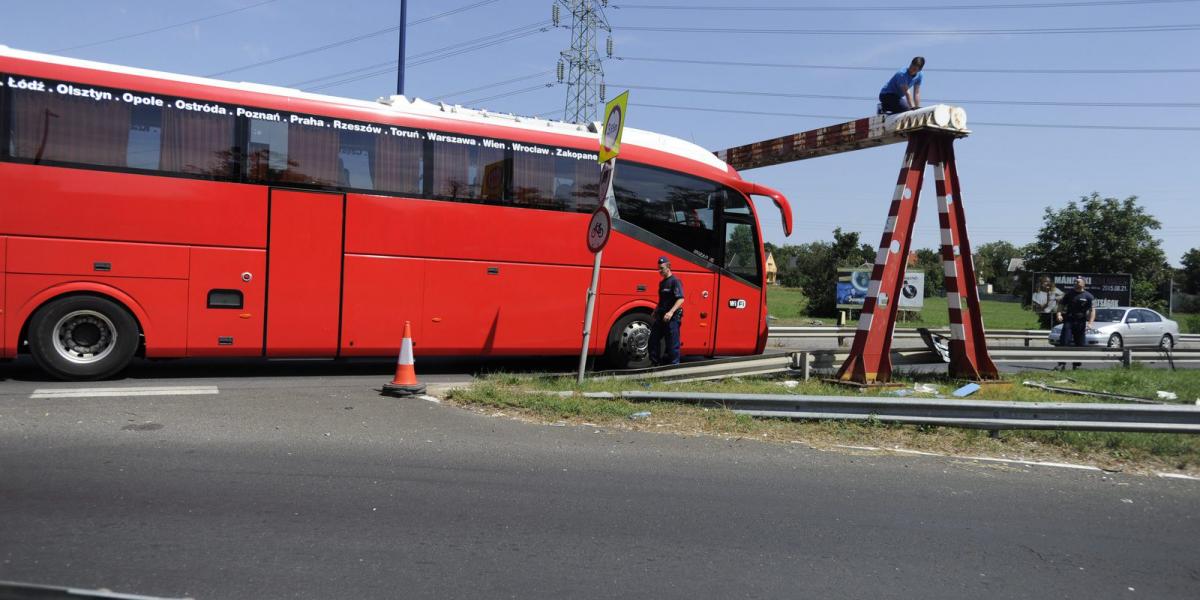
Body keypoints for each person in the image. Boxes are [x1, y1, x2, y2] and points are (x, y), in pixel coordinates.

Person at [649, 256, 685, 366]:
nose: (659, 271)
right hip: (661, 316)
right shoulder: (662, 283)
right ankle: (655, 364)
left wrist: (671, 312)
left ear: (668, 267)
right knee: (653, 340)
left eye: (662, 268)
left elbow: (681, 299)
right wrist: (655, 310)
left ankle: (674, 366)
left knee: (672, 344)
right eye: (659, 268)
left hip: (672, 318)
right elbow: (661, 300)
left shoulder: (675, 281)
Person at [1056, 277, 1096, 369]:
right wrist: (1058, 314)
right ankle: (1062, 364)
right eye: (1075, 282)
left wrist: (1090, 323)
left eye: (1078, 281)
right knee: (1064, 342)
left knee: (1080, 344)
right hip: (1069, 321)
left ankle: (1076, 365)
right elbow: (1061, 305)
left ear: (1083, 284)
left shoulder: (1088, 296)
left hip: (1081, 322)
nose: (1076, 283)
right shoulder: (1069, 294)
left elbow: (1092, 310)